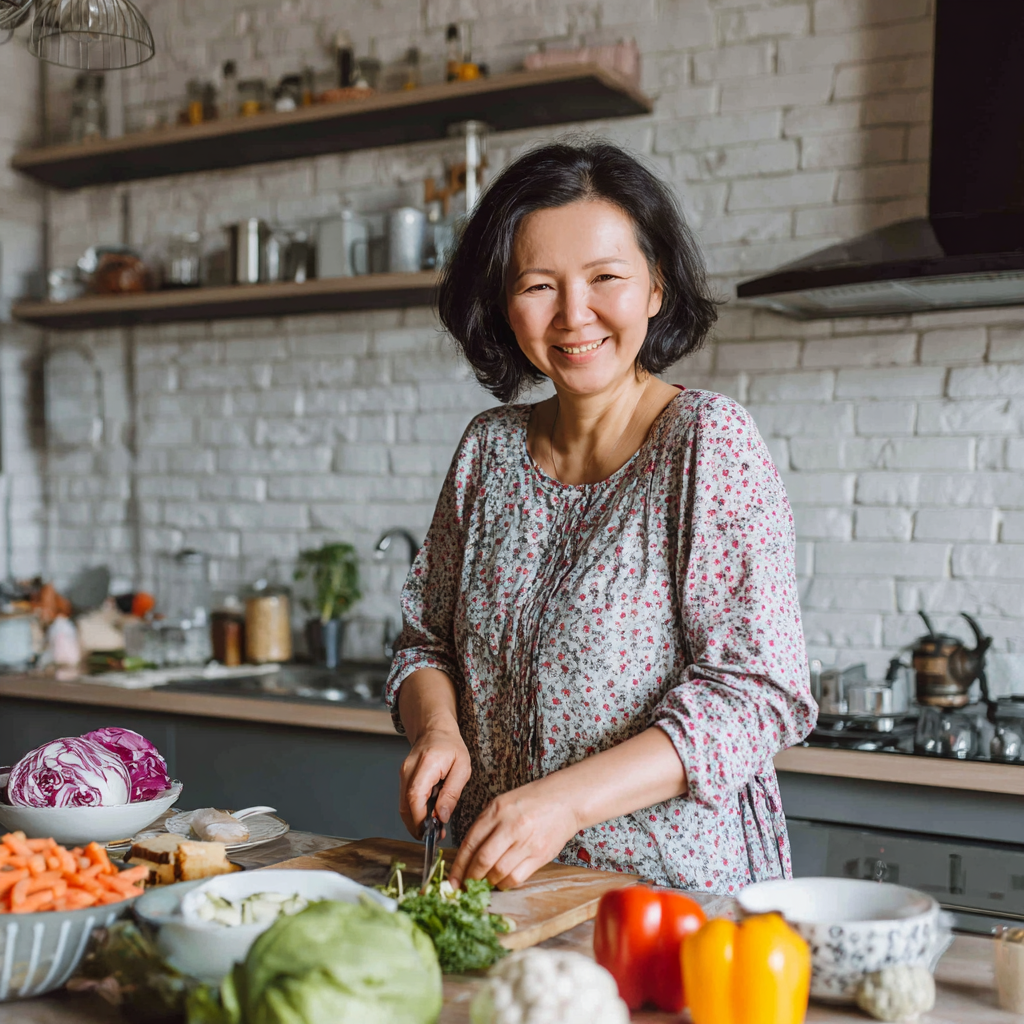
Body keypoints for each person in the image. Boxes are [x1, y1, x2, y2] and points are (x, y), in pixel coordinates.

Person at [384, 141, 816, 895]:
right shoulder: (489, 451)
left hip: (670, 898)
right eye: (539, 286)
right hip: (502, 889)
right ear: (503, 301)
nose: (573, 315)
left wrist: (564, 803)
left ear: (655, 286)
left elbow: (758, 694)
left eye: (605, 278)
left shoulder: (706, 443)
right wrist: (438, 730)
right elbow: (427, 642)